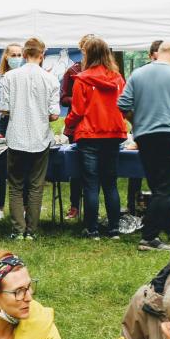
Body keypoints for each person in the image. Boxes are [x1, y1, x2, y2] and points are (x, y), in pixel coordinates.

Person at [117, 41, 170, 251]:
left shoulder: (138, 74)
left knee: (158, 186)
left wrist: (137, 122)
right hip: (168, 135)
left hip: (144, 136)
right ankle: (148, 237)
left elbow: (123, 105)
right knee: (164, 188)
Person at [0, 38, 60, 241]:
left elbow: (4, 109)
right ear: (42, 56)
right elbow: (54, 115)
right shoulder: (51, 79)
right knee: (36, 185)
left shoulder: (9, 77)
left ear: (24, 55)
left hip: (16, 136)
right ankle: (31, 231)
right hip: (39, 138)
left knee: (15, 185)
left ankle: (18, 230)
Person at [65, 37, 126, 239]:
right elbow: (124, 106)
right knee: (110, 183)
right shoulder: (117, 79)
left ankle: (92, 229)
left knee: (91, 184)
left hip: (89, 135)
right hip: (113, 134)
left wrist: (68, 126)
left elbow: (77, 110)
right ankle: (114, 229)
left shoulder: (82, 79)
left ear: (88, 54)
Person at [125, 40, 164, 214]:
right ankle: (132, 205)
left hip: (162, 131)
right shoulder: (140, 75)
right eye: (157, 53)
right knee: (135, 170)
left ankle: (155, 209)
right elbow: (127, 103)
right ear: (151, 55)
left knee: (159, 174)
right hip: (142, 129)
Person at [0, 43, 23, 221]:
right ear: (6, 57)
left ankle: (21, 207)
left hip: (19, 124)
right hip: (1, 125)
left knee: (20, 167)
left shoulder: (23, 77)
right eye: (13, 55)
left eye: (19, 55)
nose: (16, 58)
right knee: (1, 167)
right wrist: (3, 108)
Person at [60, 35, 94, 221]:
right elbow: (63, 98)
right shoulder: (72, 71)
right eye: (84, 48)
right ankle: (74, 206)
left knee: (94, 172)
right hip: (77, 127)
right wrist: (80, 99)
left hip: (97, 125)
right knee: (77, 169)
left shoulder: (105, 71)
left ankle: (92, 209)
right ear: (81, 49)